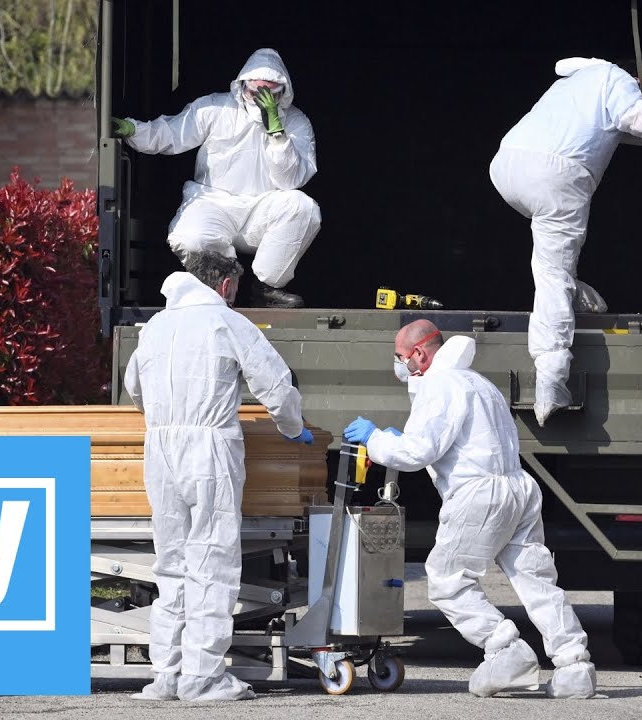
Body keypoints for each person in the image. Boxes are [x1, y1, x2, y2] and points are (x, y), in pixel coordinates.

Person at [343, 320, 596, 699]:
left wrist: (375, 438)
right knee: (536, 580)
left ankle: (505, 649)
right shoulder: (479, 382)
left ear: (419, 354)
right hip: (518, 487)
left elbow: (416, 453)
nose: (399, 365)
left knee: (447, 580)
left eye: (400, 356)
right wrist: (403, 439)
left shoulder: (439, 384)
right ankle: (575, 664)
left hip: (479, 493)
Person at [123, 251, 314, 701]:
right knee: (212, 560)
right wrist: (293, 427)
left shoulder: (154, 327)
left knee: (171, 563)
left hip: (160, 448)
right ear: (225, 286)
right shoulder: (226, 322)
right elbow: (274, 383)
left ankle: (166, 674)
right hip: (208, 448)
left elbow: (135, 388)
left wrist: (165, 417)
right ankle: (203, 677)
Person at [489, 56, 642, 426]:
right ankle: (551, 383)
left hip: (507, 167)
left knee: (550, 265)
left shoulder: (581, 83)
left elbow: (626, 132)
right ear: (640, 76)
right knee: (553, 275)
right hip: (556, 175)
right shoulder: (617, 77)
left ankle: (570, 291)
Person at [110, 48, 320, 309]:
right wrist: (133, 129)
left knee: (303, 207)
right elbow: (171, 134)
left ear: (282, 93)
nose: (261, 101)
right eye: (256, 93)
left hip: (261, 209)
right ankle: (220, 292)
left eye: (270, 94)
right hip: (214, 202)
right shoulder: (215, 107)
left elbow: (291, 180)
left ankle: (266, 289)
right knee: (190, 236)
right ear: (242, 86)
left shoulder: (296, 122)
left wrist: (276, 131)